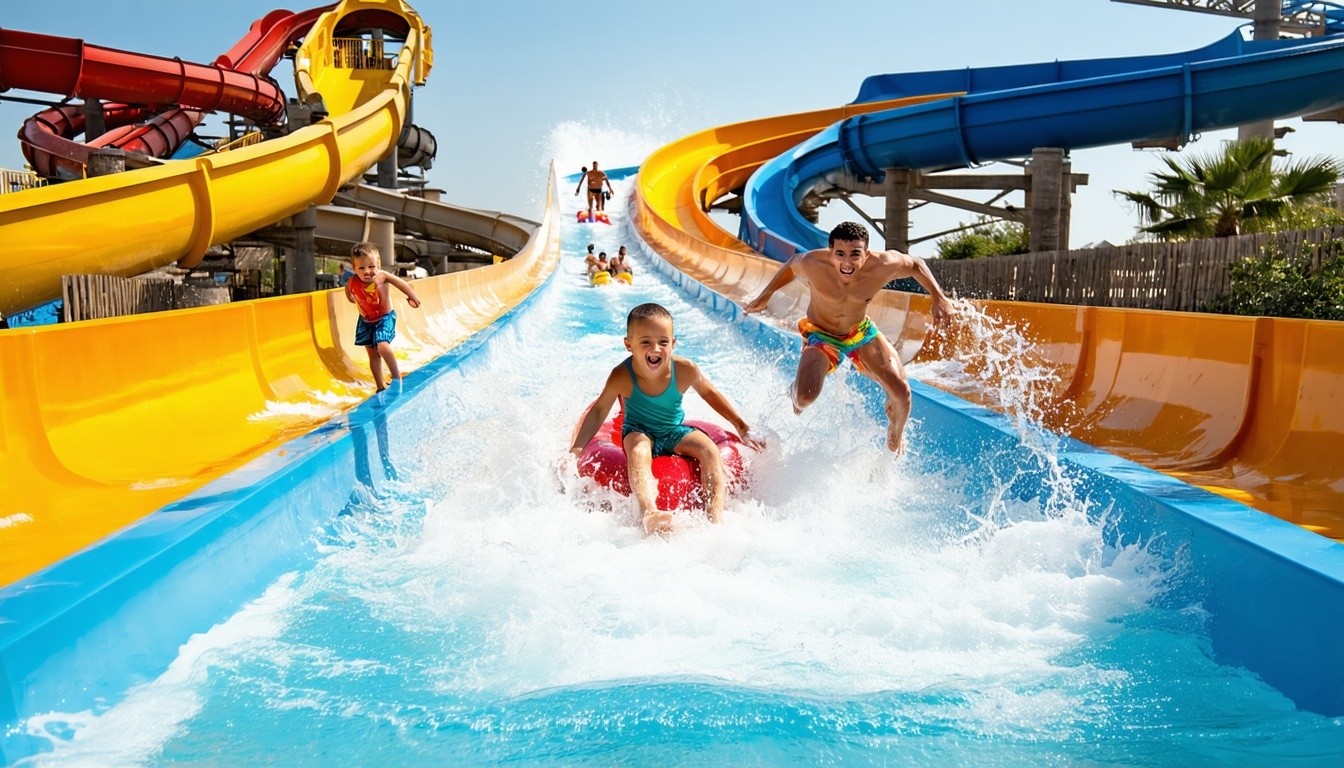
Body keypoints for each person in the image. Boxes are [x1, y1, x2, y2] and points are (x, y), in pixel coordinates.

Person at [743, 221, 956, 454]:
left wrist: (939, 297)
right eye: (840, 254)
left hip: (860, 332)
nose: (846, 262)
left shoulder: (883, 265)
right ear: (830, 252)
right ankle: (793, 391)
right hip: (821, 335)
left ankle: (896, 434)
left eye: (855, 254)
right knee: (804, 398)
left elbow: (917, 264)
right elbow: (791, 265)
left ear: (866, 253)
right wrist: (766, 295)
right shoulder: (814, 263)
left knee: (902, 393)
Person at [571, 303, 763, 535]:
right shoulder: (621, 375)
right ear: (628, 345)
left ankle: (715, 518)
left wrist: (742, 427)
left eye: (663, 341)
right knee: (639, 450)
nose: (656, 348)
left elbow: (710, 394)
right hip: (637, 430)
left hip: (672, 431)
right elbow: (600, 411)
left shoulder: (685, 369)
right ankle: (649, 512)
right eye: (645, 342)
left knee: (710, 450)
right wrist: (577, 449)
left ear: (673, 343)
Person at [344, 241, 422, 392]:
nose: (367, 271)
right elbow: (349, 291)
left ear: (378, 264)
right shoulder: (351, 281)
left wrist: (413, 297)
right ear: (354, 269)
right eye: (361, 268)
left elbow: (401, 284)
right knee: (372, 354)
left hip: (384, 318)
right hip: (365, 321)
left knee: (382, 346)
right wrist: (350, 297)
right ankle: (380, 385)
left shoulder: (382, 276)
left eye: (371, 266)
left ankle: (396, 377)